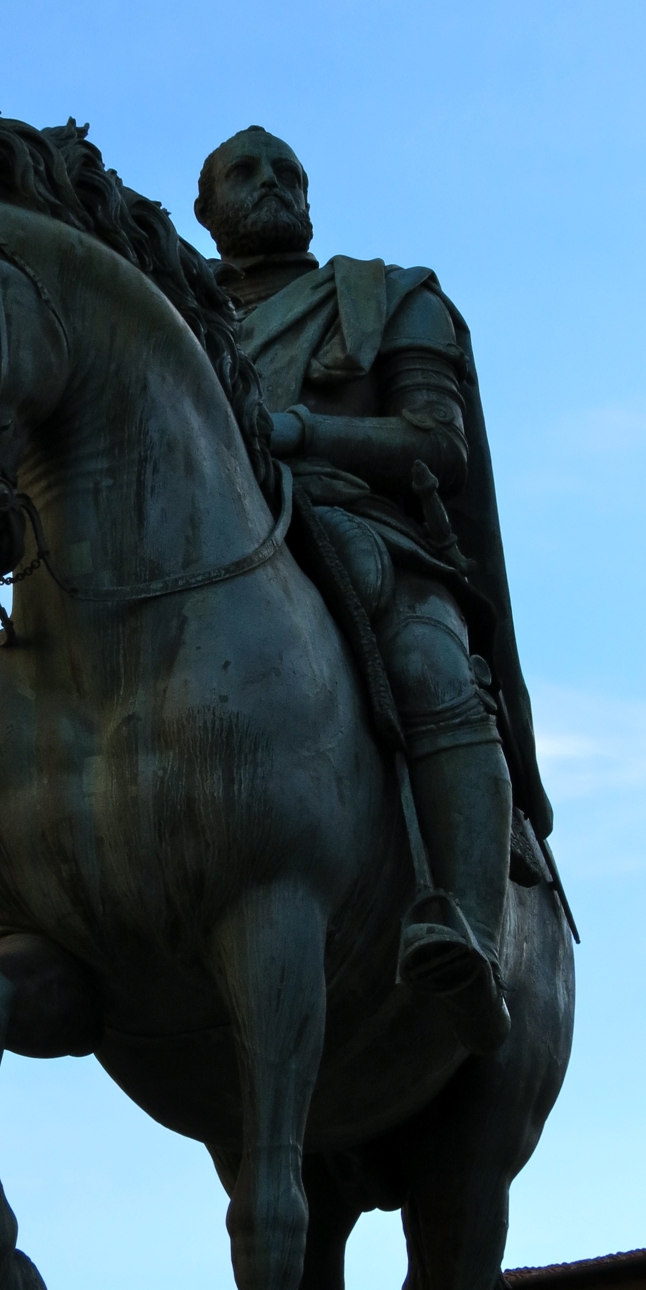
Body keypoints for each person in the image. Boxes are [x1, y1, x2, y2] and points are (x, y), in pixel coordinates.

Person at [195, 127, 554, 1048]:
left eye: (289, 173)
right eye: (246, 173)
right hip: (202, 553)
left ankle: (468, 930)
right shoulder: (173, 312)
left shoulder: (389, 296)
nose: (271, 185)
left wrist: (299, 434)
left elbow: (438, 444)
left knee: (434, 662)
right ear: (205, 211)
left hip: (363, 536)